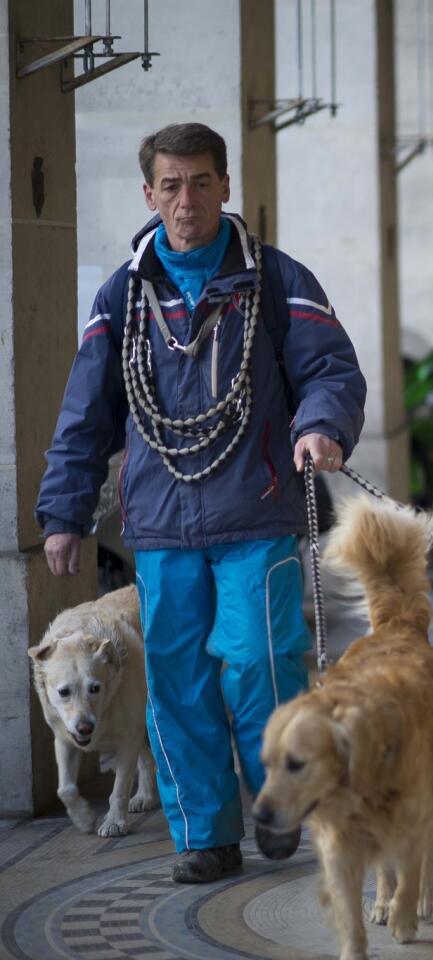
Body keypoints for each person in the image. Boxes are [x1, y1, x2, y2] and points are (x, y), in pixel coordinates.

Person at [35, 123, 366, 883]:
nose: (187, 201)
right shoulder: (122, 295)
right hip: (159, 524)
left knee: (262, 668)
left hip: (257, 510)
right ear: (150, 195)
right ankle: (205, 836)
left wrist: (320, 427)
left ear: (225, 186)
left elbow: (331, 371)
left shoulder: (277, 279)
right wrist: (63, 513)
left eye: (201, 182)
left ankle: (287, 810)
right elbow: (86, 410)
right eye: (171, 186)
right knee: (178, 682)